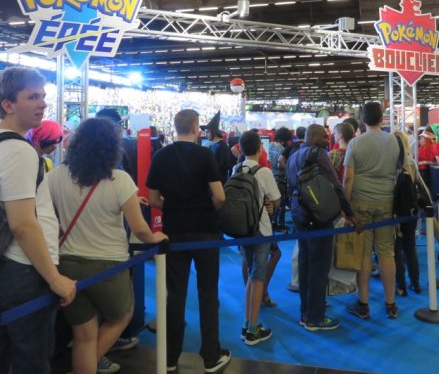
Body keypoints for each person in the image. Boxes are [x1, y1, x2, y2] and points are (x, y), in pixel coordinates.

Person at [0, 67, 76, 374]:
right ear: (8, 104)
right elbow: (23, 223)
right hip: (22, 269)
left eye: (42, 96)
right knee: (32, 360)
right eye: (32, 97)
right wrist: (54, 279)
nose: (42, 103)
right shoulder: (18, 150)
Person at [49, 118, 167, 374]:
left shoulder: (55, 176)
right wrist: (155, 237)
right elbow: (139, 228)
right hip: (108, 265)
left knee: (83, 335)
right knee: (121, 316)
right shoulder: (119, 179)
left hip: (67, 264)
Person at [147, 109, 231, 373]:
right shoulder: (205, 155)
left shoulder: (161, 156)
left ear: (175, 127)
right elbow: (220, 197)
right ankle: (211, 356)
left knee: (175, 294)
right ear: (195, 127)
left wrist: (175, 208)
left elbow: (153, 199)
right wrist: (204, 209)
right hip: (205, 231)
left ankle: (170, 358)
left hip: (174, 232)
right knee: (208, 293)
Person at [287, 124, 357, 331]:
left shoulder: (293, 156)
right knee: (319, 266)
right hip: (319, 216)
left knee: (305, 263)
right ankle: (315, 317)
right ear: (313, 136)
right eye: (323, 136)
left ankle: (306, 311)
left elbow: (290, 187)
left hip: (299, 215)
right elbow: (335, 184)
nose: (327, 140)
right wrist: (349, 213)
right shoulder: (318, 154)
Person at [343, 102, 400, 320]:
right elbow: (401, 170)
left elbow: (348, 178)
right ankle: (390, 303)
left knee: (364, 253)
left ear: (362, 120)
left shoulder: (355, 143)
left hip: (361, 203)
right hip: (387, 201)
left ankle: (363, 303)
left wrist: (346, 207)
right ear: (382, 118)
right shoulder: (394, 140)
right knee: (386, 252)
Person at [233, 131, 281, 345]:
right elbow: (276, 200)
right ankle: (252, 329)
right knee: (258, 278)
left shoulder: (237, 169)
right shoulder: (264, 172)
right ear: (260, 149)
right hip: (261, 229)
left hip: (243, 229)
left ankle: (248, 323)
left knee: (252, 276)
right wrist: (271, 205)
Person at [393, 130, 421, 296]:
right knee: (410, 248)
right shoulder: (411, 161)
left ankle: (401, 286)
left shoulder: (391, 163)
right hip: (410, 209)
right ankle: (415, 283)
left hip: (396, 211)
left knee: (396, 250)